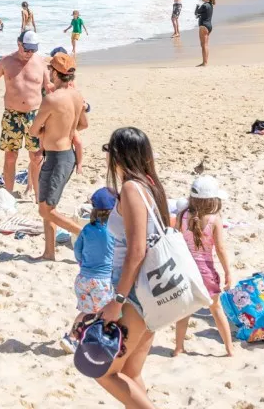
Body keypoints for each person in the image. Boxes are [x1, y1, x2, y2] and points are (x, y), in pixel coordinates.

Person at [96, 127, 171, 409]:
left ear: (118, 155)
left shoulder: (131, 188)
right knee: (131, 373)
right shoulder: (151, 184)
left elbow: (136, 251)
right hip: (155, 289)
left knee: (104, 372)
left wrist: (117, 301)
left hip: (135, 293)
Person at [28, 52, 88, 260]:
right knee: (47, 206)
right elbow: (84, 124)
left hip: (58, 158)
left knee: (45, 210)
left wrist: (47, 131)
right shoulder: (77, 95)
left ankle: (85, 233)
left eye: (49, 69)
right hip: (64, 155)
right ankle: (49, 252)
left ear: (54, 72)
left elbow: (34, 131)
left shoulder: (51, 99)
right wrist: (63, 130)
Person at [173, 176, 234, 357]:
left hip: (185, 269)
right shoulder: (214, 220)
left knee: (184, 311)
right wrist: (228, 273)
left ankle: (178, 348)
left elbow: (176, 240)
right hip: (205, 271)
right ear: (213, 200)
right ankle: (229, 349)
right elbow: (221, 249)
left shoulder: (182, 215)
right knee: (216, 309)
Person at [0, 31, 50, 198]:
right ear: (19, 44)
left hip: (34, 115)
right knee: (10, 156)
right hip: (12, 115)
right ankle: (8, 194)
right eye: (27, 49)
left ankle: (37, 196)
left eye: (33, 50)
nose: (29, 53)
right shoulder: (6, 62)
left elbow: (49, 87)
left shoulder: (40, 62)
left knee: (36, 157)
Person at [65, 187, 115, 351]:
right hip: (103, 281)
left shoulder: (86, 229)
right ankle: (100, 340)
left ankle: (71, 338)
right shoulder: (114, 232)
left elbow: (77, 251)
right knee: (105, 313)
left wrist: (83, 263)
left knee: (86, 311)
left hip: (83, 279)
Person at [195, 0, 215, 67]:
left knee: (204, 45)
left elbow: (196, 12)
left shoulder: (204, 5)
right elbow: (203, 14)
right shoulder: (210, 5)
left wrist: (197, 7)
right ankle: (205, 62)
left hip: (203, 26)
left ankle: (205, 63)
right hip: (209, 26)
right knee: (205, 44)